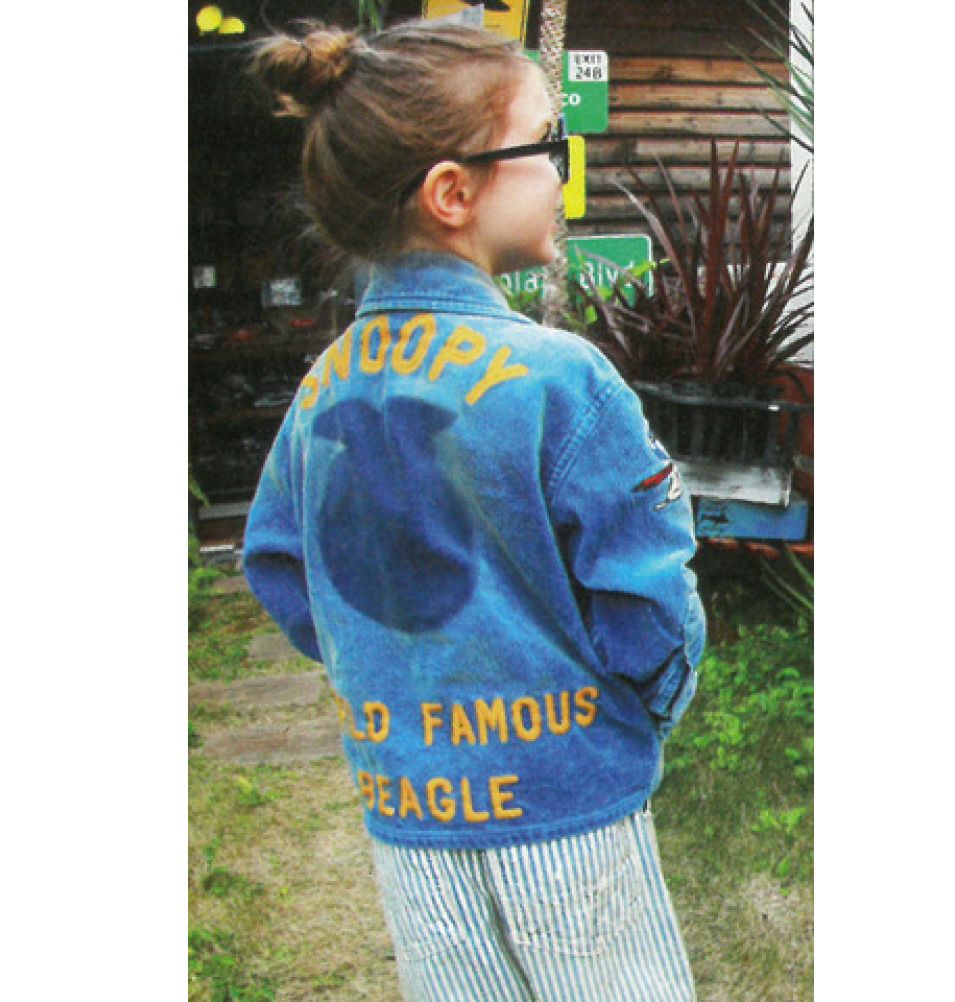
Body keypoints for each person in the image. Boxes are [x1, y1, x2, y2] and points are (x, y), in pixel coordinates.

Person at [242, 18, 706, 1002]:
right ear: (453, 193)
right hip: (572, 803)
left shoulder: (321, 388)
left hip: (408, 809)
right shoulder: (561, 377)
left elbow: (279, 561)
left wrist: (390, 680)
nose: (561, 168)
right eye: (544, 143)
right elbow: (648, 591)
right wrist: (640, 717)